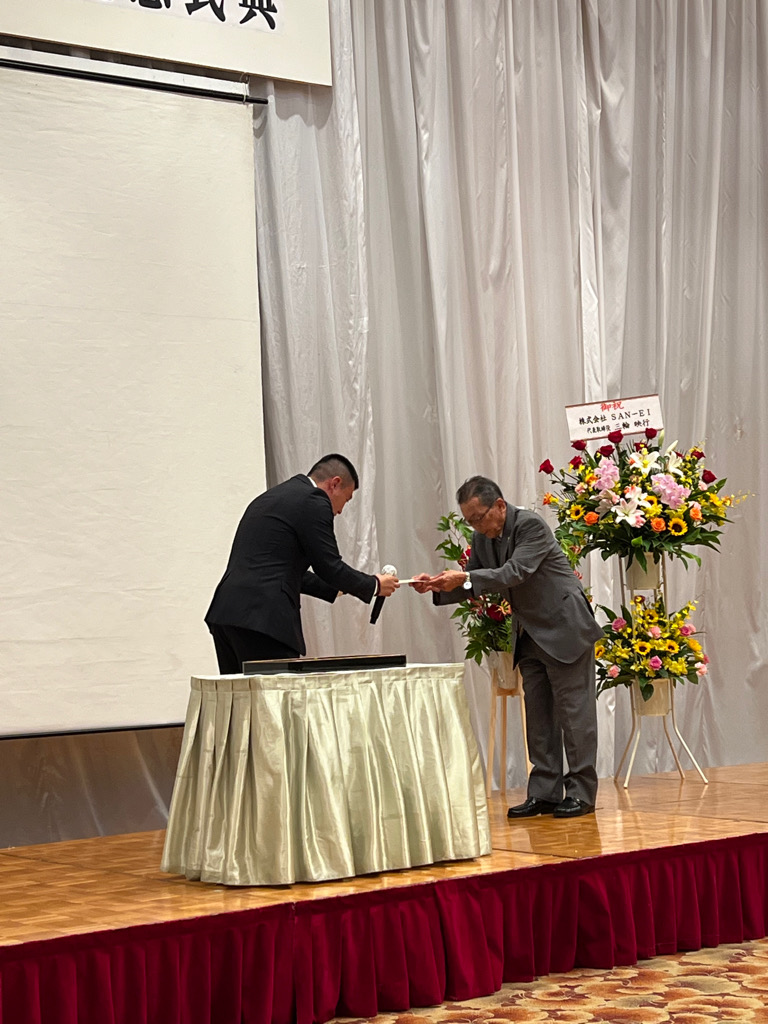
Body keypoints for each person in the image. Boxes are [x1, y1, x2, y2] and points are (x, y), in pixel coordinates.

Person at [412, 475, 601, 819]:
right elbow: (473, 581)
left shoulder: (530, 525)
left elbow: (515, 572)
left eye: (479, 518)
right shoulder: (482, 537)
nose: (476, 526)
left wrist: (464, 578)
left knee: (575, 716)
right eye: (469, 521)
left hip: (564, 628)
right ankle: (544, 792)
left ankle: (581, 793)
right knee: (539, 719)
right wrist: (438, 586)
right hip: (529, 634)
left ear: (499, 505)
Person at [205, 454, 399, 672]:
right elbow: (329, 566)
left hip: (226, 614)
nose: (340, 511)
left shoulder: (271, 498)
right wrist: (374, 585)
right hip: (264, 619)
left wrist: (341, 588)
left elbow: (283, 569)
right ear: (334, 483)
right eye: (346, 500)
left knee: (238, 694)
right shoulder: (314, 500)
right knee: (277, 694)